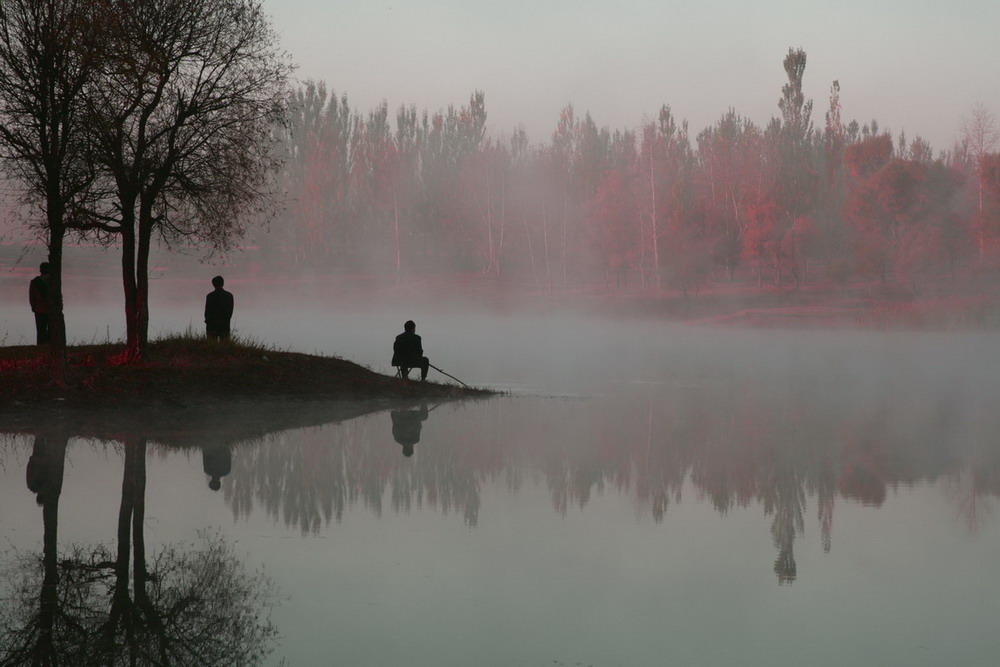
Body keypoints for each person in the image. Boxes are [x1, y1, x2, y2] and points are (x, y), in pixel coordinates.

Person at [204, 275, 234, 340]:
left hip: (212, 325)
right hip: (225, 325)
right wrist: (226, 320)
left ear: (213, 284)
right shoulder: (229, 296)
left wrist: (207, 321)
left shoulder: (210, 296)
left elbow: (207, 311)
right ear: (223, 283)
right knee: (225, 345)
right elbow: (230, 311)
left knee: (211, 346)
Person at [28, 262, 52, 345]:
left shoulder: (34, 282)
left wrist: (34, 307)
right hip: (51, 309)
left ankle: (41, 346)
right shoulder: (53, 281)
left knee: (40, 330)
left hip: (39, 309)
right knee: (51, 330)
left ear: (40, 270)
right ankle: (49, 345)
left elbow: (32, 297)